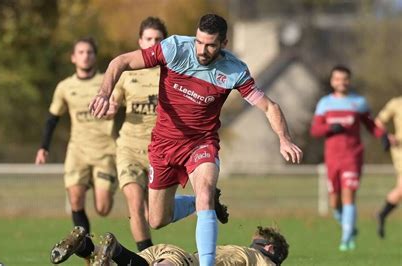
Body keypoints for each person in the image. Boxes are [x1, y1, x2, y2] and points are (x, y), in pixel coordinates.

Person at [89, 14, 302, 265]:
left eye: (210, 44)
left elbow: (269, 106)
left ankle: (207, 253)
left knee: (204, 191)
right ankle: (197, 203)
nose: (202, 49)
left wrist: (284, 139)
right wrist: (105, 92)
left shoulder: (235, 70)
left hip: (201, 144)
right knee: (156, 219)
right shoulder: (175, 49)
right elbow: (122, 61)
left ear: (224, 42)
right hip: (163, 146)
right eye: (199, 42)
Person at [35, 37, 117, 260]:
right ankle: (89, 253)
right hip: (77, 151)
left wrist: (115, 108)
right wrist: (44, 147)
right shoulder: (65, 87)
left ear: (95, 55)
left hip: (105, 152)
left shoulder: (107, 82)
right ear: (73, 57)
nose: (85, 56)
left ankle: (93, 249)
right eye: (80, 52)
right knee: (75, 201)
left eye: (89, 52)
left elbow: (122, 105)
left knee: (103, 208)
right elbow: (53, 118)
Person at [310, 65, 388, 251]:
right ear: (332, 81)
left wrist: (382, 136)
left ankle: (346, 240)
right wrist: (330, 128)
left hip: (352, 156)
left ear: (349, 81)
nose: (341, 82)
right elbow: (315, 130)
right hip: (332, 158)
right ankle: (349, 226)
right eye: (337, 79)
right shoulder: (325, 103)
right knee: (334, 202)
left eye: (345, 79)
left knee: (348, 196)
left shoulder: (359, 102)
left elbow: (371, 125)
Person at [110, 16, 167, 251]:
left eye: (158, 39)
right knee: (135, 206)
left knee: (156, 216)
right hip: (129, 149)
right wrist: (108, 109)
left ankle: (197, 203)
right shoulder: (126, 72)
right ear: (140, 41)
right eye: (149, 39)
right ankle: (147, 257)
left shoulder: (172, 73)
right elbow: (112, 105)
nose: (153, 43)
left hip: (160, 152)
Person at [49, 225, 289, 266]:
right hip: (183, 261)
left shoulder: (235, 251)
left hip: (168, 254)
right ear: (270, 250)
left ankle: (86, 246)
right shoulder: (260, 259)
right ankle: (113, 250)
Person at [375, 96, 402, 238]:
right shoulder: (396, 103)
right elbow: (379, 122)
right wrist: (387, 136)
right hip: (400, 151)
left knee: (400, 191)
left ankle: (382, 214)